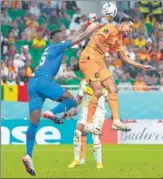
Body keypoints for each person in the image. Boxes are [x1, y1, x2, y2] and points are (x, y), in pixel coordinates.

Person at [22, 17, 101, 176]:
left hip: (33, 84)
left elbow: (72, 37)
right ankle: (52, 112)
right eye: (61, 36)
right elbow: (78, 38)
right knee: (71, 100)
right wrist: (94, 28)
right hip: (44, 81)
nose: (64, 37)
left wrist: (85, 25)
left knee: (33, 123)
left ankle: (28, 155)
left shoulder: (53, 47)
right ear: (54, 38)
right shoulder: (57, 46)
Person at [79, 16, 153, 132]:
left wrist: (141, 66)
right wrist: (107, 54)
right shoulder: (109, 28)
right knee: (98, 91)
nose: (131, 30)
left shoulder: (119, 39)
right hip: (89, 59)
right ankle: (88, 123)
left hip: (99, 61)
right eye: (130, 27)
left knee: (113, 89)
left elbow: (124, 58)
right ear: (122, 25)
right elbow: (97, 40)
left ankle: (116, 121)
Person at [68, 79, 107, 169]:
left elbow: (109, 98)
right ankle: (76, 159)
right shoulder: (83, 82)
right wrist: (75, 108)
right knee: (77, 132)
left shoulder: (103, 81)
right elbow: (80, 97)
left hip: (98, 112)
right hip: (86, 110)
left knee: (96, 136)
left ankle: (99, 162)